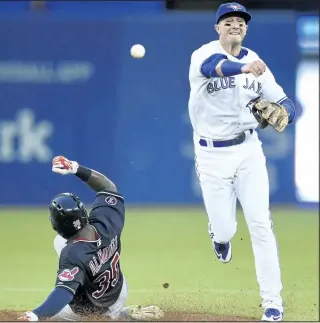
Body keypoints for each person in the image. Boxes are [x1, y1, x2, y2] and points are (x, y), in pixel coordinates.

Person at [188, 2, 296, 321]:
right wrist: (242, 69)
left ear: (246, 28)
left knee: (261, 224)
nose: (235, 25)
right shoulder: (204, 54)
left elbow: (286, 100)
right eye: (228, 21)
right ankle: (219, 236)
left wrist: (286, 114)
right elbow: (212, 68)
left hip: (249, 151)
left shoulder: (256, 62)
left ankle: (272, 303)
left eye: (240, 21)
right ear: (217, 28)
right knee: (224, 229)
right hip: (211, 154)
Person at [19, 155, 164, 322]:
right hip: (119, 290)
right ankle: (119, 313)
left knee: (50, 317)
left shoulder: (72, 253)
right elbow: (108, 187)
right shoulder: (106, 219)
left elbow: (63, 293)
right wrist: (76, 168)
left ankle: (119, 317)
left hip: (92, 310)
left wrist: (36, 314)